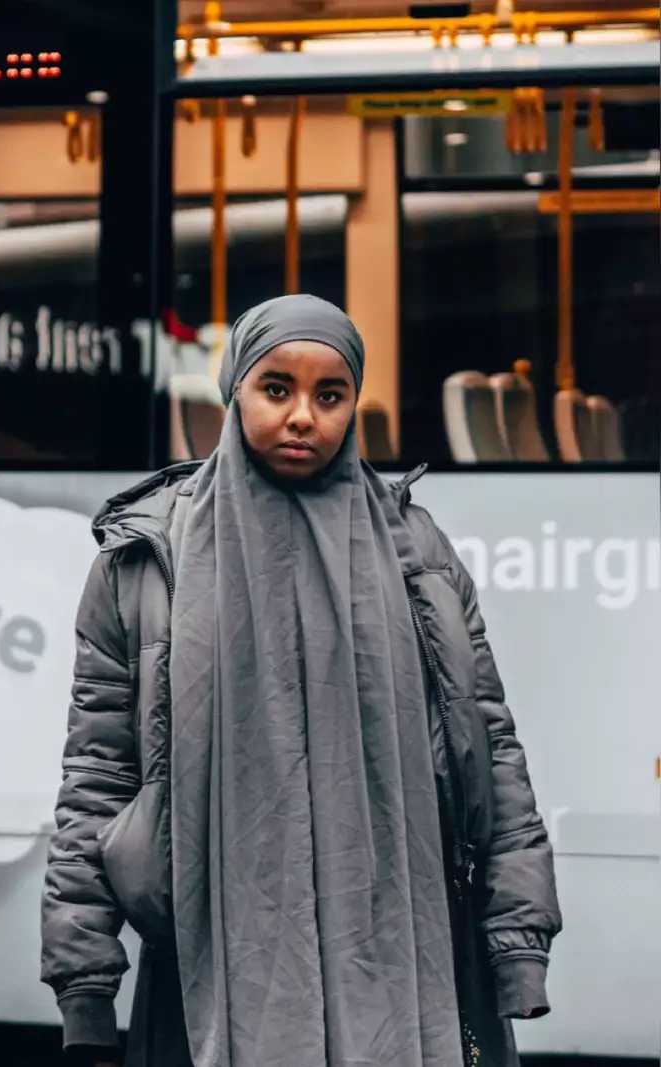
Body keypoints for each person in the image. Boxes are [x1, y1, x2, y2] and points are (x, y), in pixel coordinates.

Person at [40, 294, 561, 1067]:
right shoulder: (145, 561)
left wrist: (516, 940)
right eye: (275, 388)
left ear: (354, 403)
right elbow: (99, 776)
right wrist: (84, 977)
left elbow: (487, 743)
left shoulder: (416, 552)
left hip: (409, 958)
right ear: (233, 389)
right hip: (205, 962)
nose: (302, 416)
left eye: (329, 394)